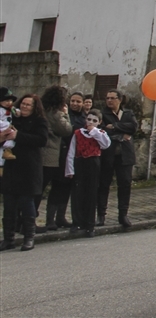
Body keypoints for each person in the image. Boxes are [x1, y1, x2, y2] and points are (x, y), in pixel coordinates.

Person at [0, 94, 48, 251]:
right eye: (24, 104)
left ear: (35, 107)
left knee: (26, 203)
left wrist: (18, 135)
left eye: (29, 105)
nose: (25, 107)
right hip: (12, 166)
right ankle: (8, 238)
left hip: (29, 167)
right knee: (9, 204)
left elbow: (42, 140)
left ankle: (29, 237)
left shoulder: (39, 121)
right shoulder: (14, 119)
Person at [64, 109, 110, 237]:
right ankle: (77, 222)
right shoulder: (78, 133)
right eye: (89, 119)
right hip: (80, 163)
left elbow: (106, 144)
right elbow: (71, 152)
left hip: (93, 164)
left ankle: (90, 224)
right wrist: (70, 169)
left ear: (99, 122)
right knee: (78, 194)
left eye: (94, 121)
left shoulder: (100, 133)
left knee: (91, 194)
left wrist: (94, 131)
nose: (90, 122)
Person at [97, 89, 138, 227]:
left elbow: (133, 127)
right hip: (108, 154)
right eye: (107, 98)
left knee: (125, 184)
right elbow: (103, 130)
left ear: (119, 99)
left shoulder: (128, 113)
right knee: (104, 184)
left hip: (125, 155)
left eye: (112, 98)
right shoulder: (103, 114)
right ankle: (101, 215)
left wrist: (114, 126)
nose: (109, 100)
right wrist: (121, 134)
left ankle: (123, 214)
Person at [38, 85, 74, 232]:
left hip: (42, 154)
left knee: (38, 189)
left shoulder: (42, 111)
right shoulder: (56, 113)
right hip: (49, 156)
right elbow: (66, 129)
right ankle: (30, 222)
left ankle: (24, 220)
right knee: (40, 189)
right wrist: (65, 114)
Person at [0, 87, 18, 170]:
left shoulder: (11, 109)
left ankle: (7, 152)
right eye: (6, 101)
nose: (9, 103)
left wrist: (18, 112)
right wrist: (6, 125)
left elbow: (17, 112)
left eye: (10, 101)